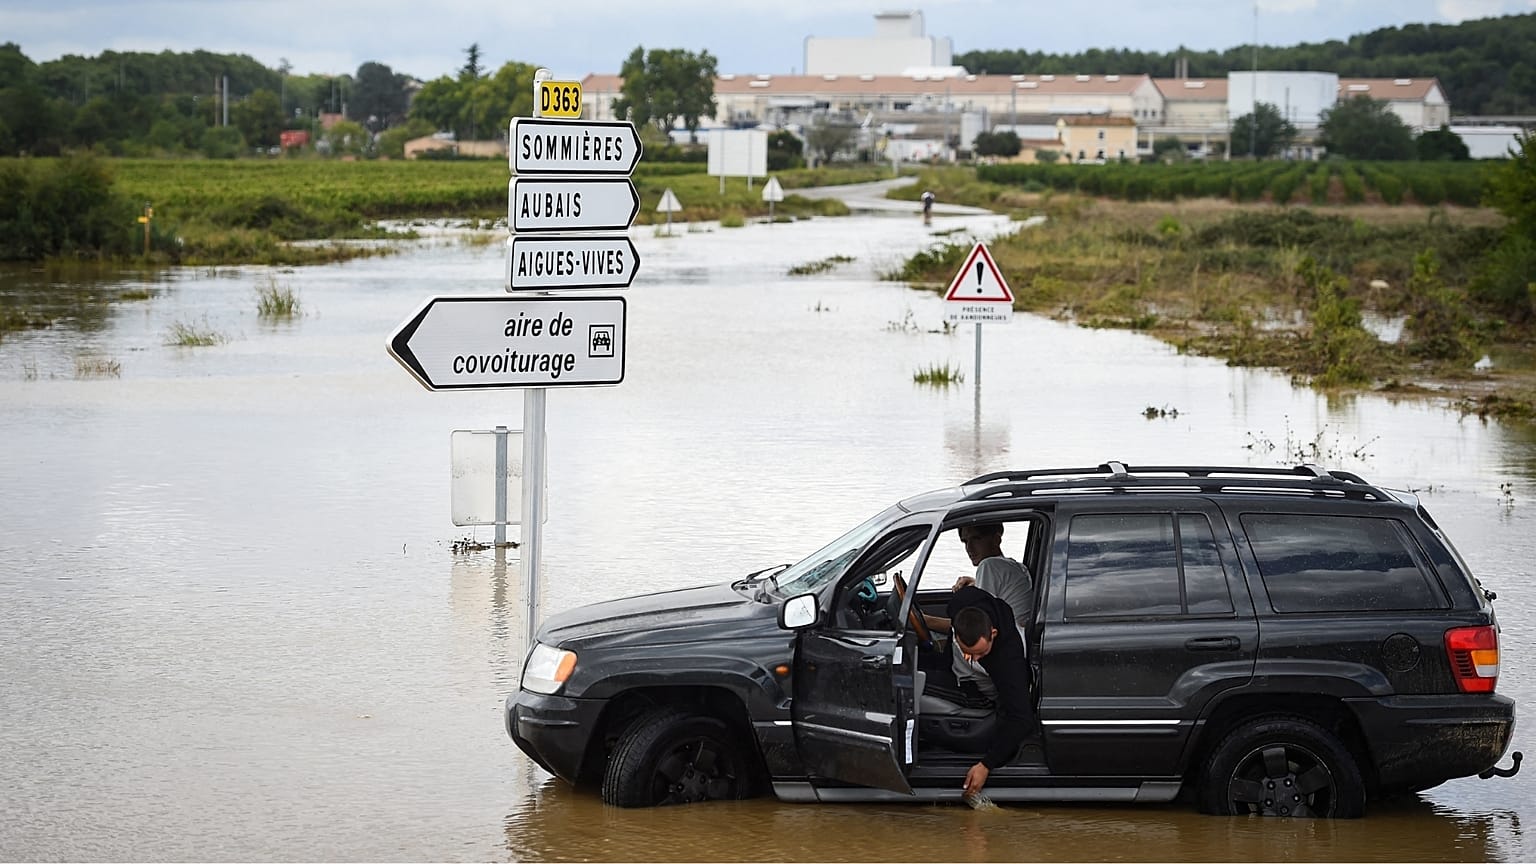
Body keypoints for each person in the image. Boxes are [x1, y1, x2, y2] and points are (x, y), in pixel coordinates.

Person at [924, 523, 1033, 700]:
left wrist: (924, 620)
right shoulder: (1014, 566)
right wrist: (975, 582)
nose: (969, 548)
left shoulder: (989, 566)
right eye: (965, 541)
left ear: (997, 538)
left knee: (912, 678)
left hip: (979, 681)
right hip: (1003, 664)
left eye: (976, 539)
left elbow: (975, 624)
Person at [948, 585, 1034, 796]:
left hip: (1005, 689)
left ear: (993, 634)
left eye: (980, 652)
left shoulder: (1007, 658)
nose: (975, 659)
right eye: (967, 652)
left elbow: (1022, 718)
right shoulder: (961, 602)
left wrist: (987, 764)